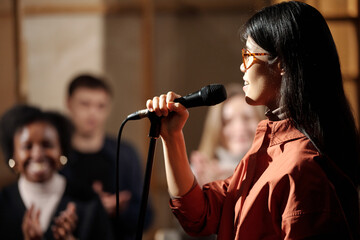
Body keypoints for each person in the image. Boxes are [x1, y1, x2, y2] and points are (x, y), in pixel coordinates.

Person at [145, 1, 360, 239]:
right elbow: (201, 214)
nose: (241, 65)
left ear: (281, 64)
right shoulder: (268, 144)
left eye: (248, 55)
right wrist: (172, 137)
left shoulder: (303, 167)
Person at [0, 104, 114, 240]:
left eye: (47, 145)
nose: (37, 155)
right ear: (13, 156)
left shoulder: (88, 202)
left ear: (62, 151)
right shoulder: (2, 204)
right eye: (27, 146)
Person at [61, 74, 153, 239]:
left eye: (100, 106)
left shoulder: (126, 155)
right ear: (69, 104)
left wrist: (120, 209)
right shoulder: (57, 156)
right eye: (85, 104)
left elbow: (147, 216)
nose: (92, 113)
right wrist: (93, 208)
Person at [190, 82, 263, 187]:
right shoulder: (196, 175)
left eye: (247, 117)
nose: (240, 128)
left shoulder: (275, 169)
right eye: (228, 121)